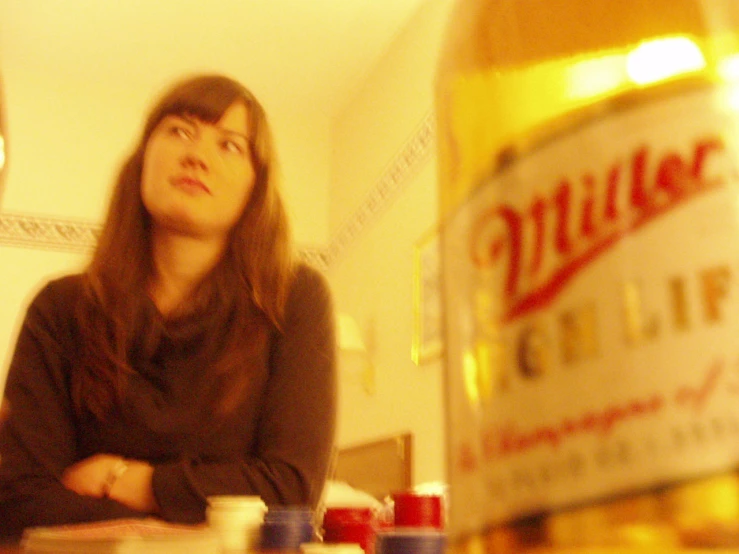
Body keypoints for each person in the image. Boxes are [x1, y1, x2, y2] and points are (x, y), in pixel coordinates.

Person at [0, 74, 336, 539]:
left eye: (230, 146)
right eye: (179, 131)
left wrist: (132, 481)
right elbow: (19, 499)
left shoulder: (294, 298)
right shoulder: (59, 309)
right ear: (141, 161)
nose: (197, 156)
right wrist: (189, 526)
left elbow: (291, 490)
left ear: (256, 188)